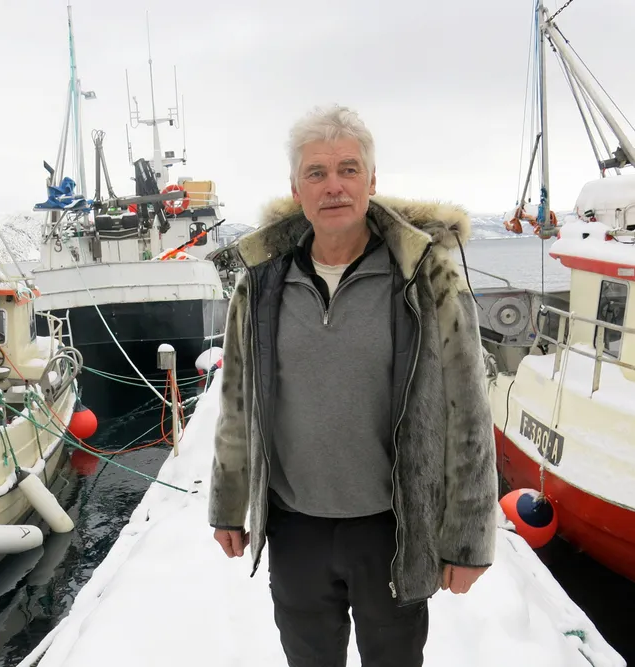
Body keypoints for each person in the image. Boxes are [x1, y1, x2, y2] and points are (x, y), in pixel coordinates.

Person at [208, 105, 498, 667]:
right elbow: (237, 403)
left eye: (348, 169)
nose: (333, 186)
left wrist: (468, 538)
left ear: (372, 180)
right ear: (297, 188)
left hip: (392, 531)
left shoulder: (424, 278)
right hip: (295, 529)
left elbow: (468, 410)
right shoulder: (262, 284)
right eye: (316, 172)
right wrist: (228, 504)